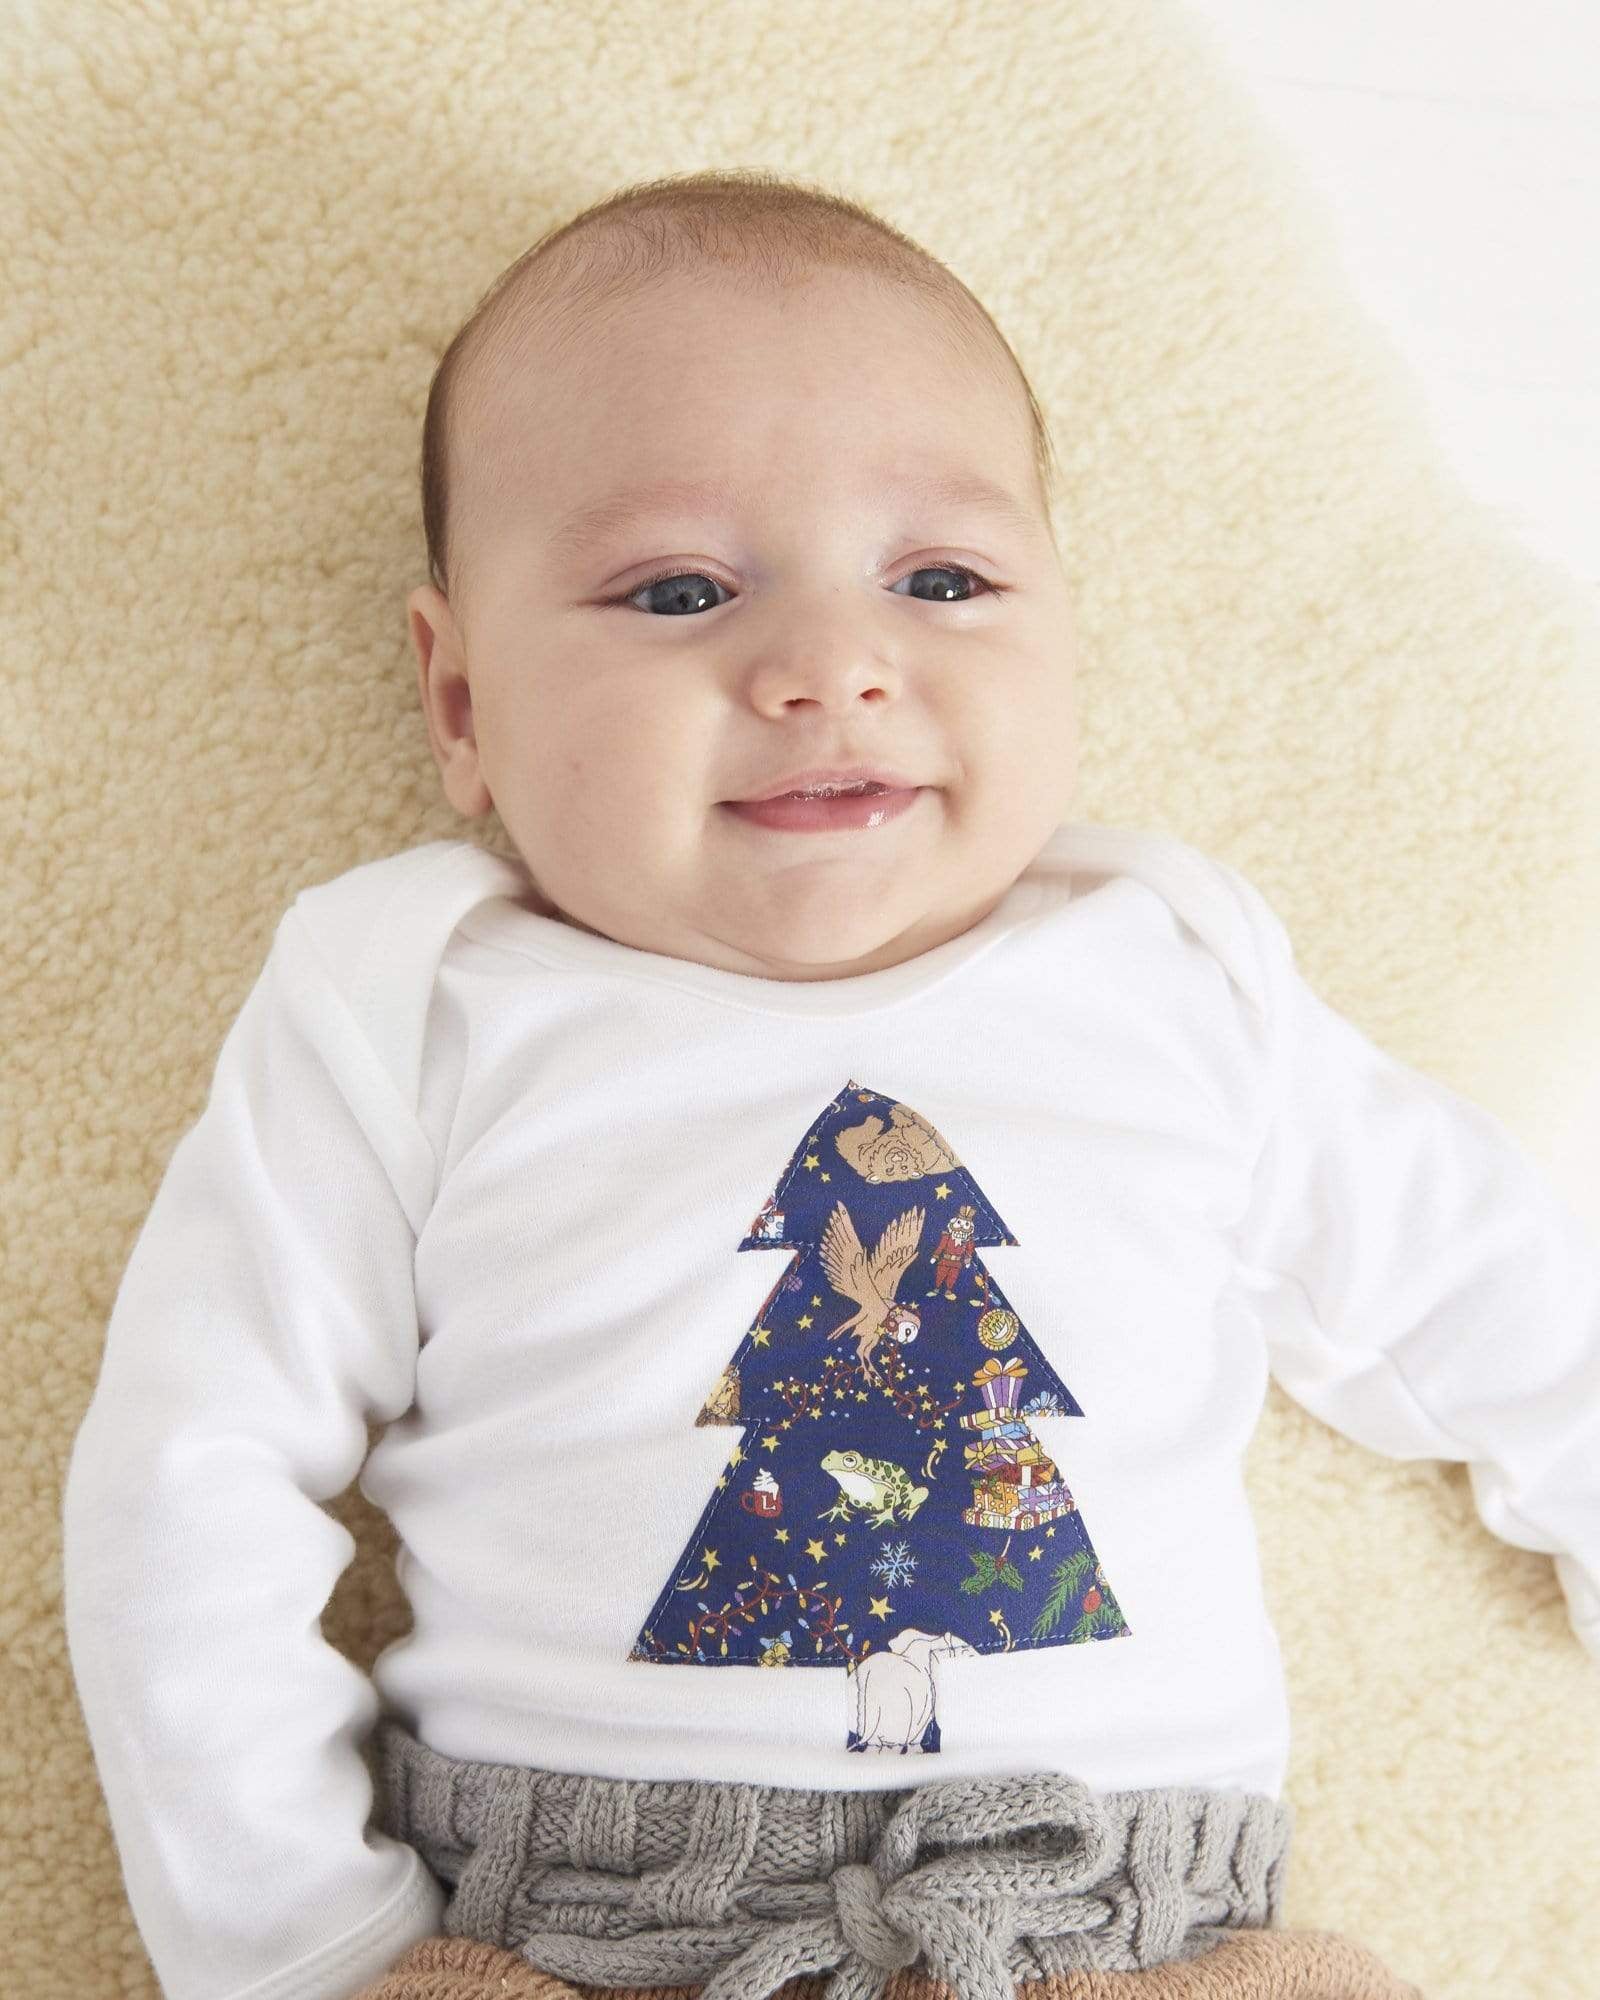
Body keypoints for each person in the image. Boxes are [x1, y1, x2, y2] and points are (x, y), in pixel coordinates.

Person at [61, 169, 1598, 2000]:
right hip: (588, 1930)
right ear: (461, 702)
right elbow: (188, 1482)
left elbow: (1493, 1295)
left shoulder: (1166, 973)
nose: (829, 667)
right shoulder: (413, 1000)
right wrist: (304, 1944)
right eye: (681, 588)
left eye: (940, 579)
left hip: (1125, 1918)